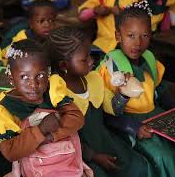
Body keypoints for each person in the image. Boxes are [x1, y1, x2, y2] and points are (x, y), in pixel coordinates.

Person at [45, 26, 149, 177]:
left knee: (136, 166)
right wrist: (93, 156)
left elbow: (113, 108)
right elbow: (62, 136)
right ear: (63, 65)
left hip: (104, 141)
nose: (91, 61)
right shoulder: (58, 92)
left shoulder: (93, 80)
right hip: (81, 152)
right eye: (84, 58)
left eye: (90, 55)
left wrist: (124, 94)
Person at [98, 1, 175, 177]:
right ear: (118, 36)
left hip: (156, 116)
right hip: (129, 123)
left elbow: (160, 90)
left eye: (144, 36)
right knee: (164, 156)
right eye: (131, 35)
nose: (138, 43)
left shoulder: (149, 59)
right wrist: (133, 127)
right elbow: (107, 112)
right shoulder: (111, 68)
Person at [0, 39, 88, 176]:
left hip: (69, 162)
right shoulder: (3, 110)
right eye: (24, 77)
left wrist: (50, 135)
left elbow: (77, 118)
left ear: (49, 73)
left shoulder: (52, 90)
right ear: (11, 78)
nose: (33, 85)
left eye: (40, 75)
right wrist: (40, 130)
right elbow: (10, 151)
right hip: (37, 170)